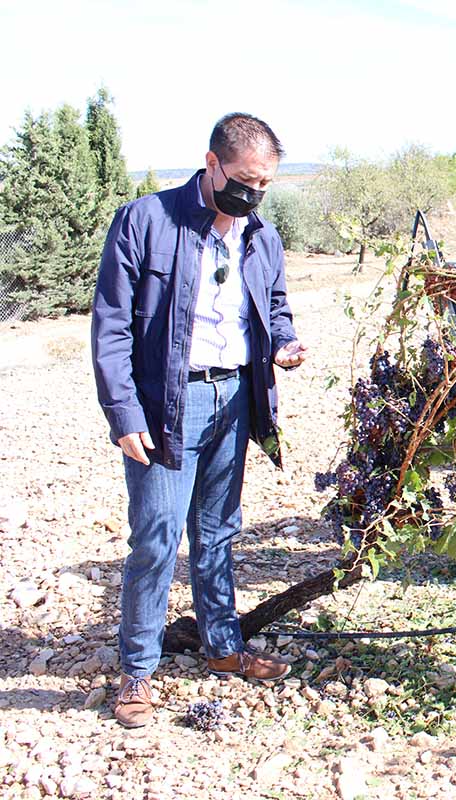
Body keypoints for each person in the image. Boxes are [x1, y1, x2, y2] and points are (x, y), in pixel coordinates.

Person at [91, 113, 308, 728]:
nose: (253, 194)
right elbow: (110, 326)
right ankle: (136, 673)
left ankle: (222, 647)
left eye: (265, 184)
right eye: (244, 180)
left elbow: (274, 306)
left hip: (236, 397)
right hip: (168, 406)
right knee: (156, 538)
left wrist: (284, 343)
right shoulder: (147, 222)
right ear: (212, 164)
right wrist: (123, 412)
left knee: (217, 531)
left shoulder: (261, 235)